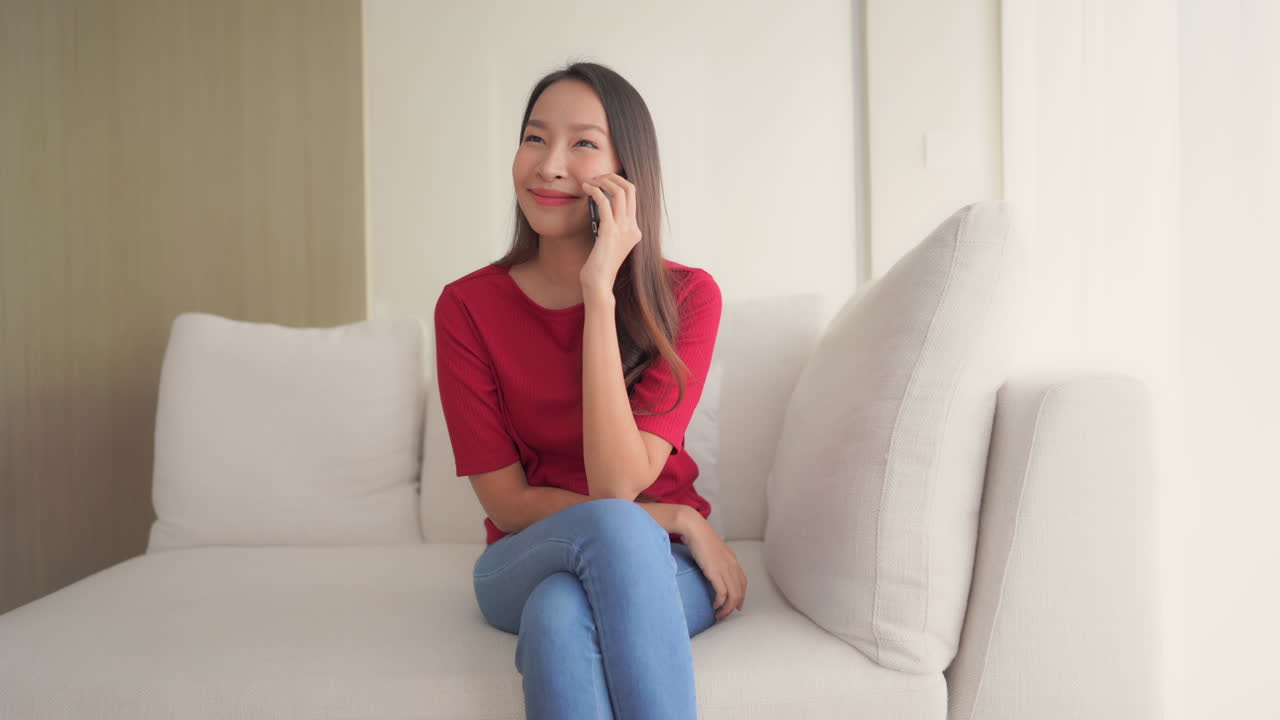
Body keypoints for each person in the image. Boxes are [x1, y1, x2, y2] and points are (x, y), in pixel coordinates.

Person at [433, 61, 748, 719]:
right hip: (525, 555)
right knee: (595, 544)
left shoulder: (687, 298)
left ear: (626, 170)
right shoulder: (466, 307)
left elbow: (617, 480)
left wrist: (598, 293)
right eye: (534, 138)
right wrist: (679, 517)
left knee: (557, 617)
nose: (548, 165)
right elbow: (510, 503)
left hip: (664, 566)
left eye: (581, 143)